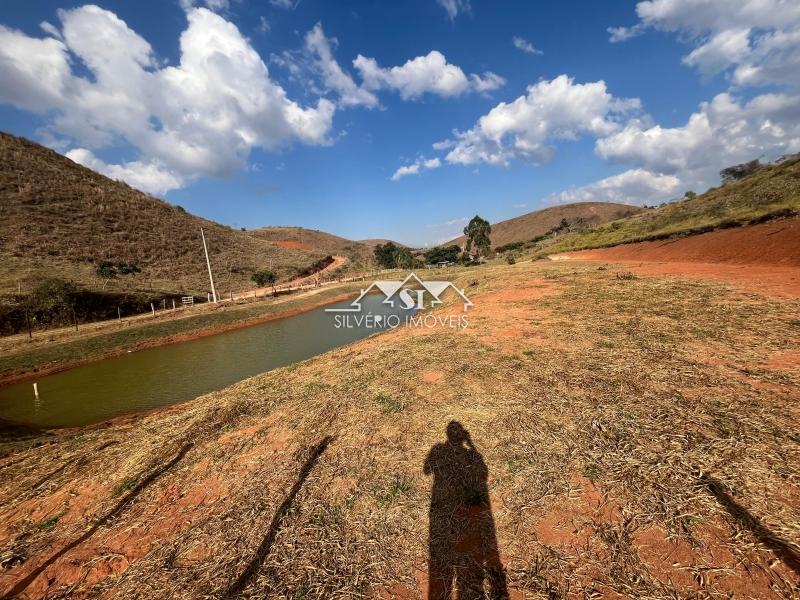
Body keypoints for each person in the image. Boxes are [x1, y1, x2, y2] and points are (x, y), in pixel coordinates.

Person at [423, 421, 509, 599]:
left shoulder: (439, 450)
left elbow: (426, 470)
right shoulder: (470, 454)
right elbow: (484, 474)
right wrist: (472, 446)